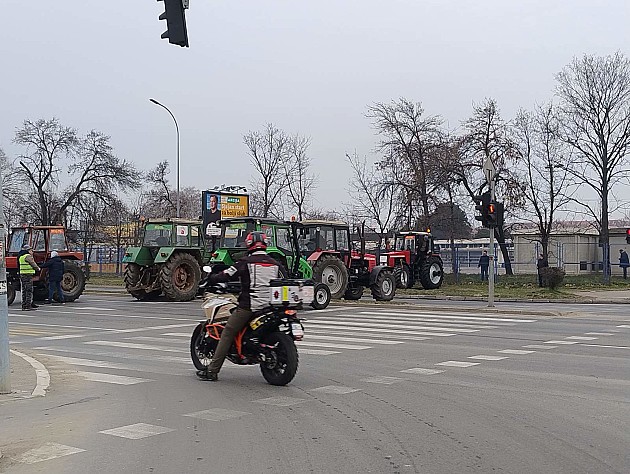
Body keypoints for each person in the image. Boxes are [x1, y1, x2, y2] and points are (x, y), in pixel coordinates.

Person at [197, 231, 281, 382]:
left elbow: (227, 274)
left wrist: (211, 279)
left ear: (249, 244)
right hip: (270, 307)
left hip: (249, 306)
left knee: (228, 331)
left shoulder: (246, 262)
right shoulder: (275, 264)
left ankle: (212, 371)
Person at [18, 244, 41, 311]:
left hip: (22, 274)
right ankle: (28, 306)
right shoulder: (28, 256)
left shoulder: (21, 257)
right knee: (29, 290)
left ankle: (24, 305)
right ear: (28, 250)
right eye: (31, 250)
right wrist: (38, 269)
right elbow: (33, 264)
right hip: (28, 275)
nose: (32, 252)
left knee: (24, 290)